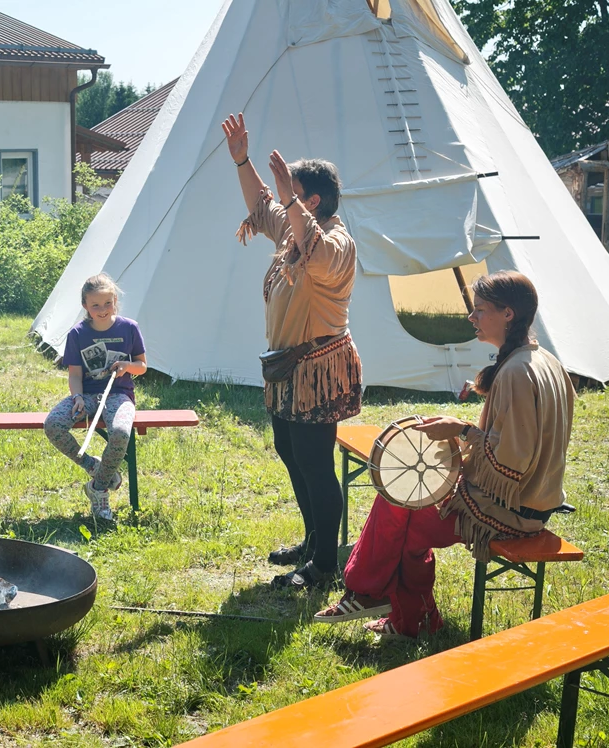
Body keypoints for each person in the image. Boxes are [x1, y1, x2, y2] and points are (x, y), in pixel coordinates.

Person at [314, 271, 575, 638]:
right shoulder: (540, 359)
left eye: (480, 310)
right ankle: (404, 614)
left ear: (508, 314)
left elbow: (513, 462)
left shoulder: (518, 372)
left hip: (511, 510)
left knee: (405, 510)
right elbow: (520, 429)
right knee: (403, 501)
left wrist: (462, 431)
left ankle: (377, 598)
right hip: (529, 500)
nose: (472, 317)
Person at [223, 112, 362, 589]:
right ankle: (314, 539)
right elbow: (262, 205)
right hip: (287, 366)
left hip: (318, 365)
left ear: (313, 200)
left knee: (315, 462)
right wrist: (242, 159)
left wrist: (287, 200)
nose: (285, 202)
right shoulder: (293, 226)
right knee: (290, 450)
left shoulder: (339, 243)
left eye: (295, 194)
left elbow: (317, 254)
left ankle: (325, 563)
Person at [44, 273, 147, 521]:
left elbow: (142, 366)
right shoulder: (77, 333)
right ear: (85, 306)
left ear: (115, 301)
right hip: (88, 394)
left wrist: (126, 365)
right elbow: (75, 374)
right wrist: (77, 397)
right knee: (53, 424)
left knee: (121, 432)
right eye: (95, 305)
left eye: (108, 303)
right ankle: (94, 467)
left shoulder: (129, 327)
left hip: (119, 394)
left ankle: (98, 489)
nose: (102, 310)